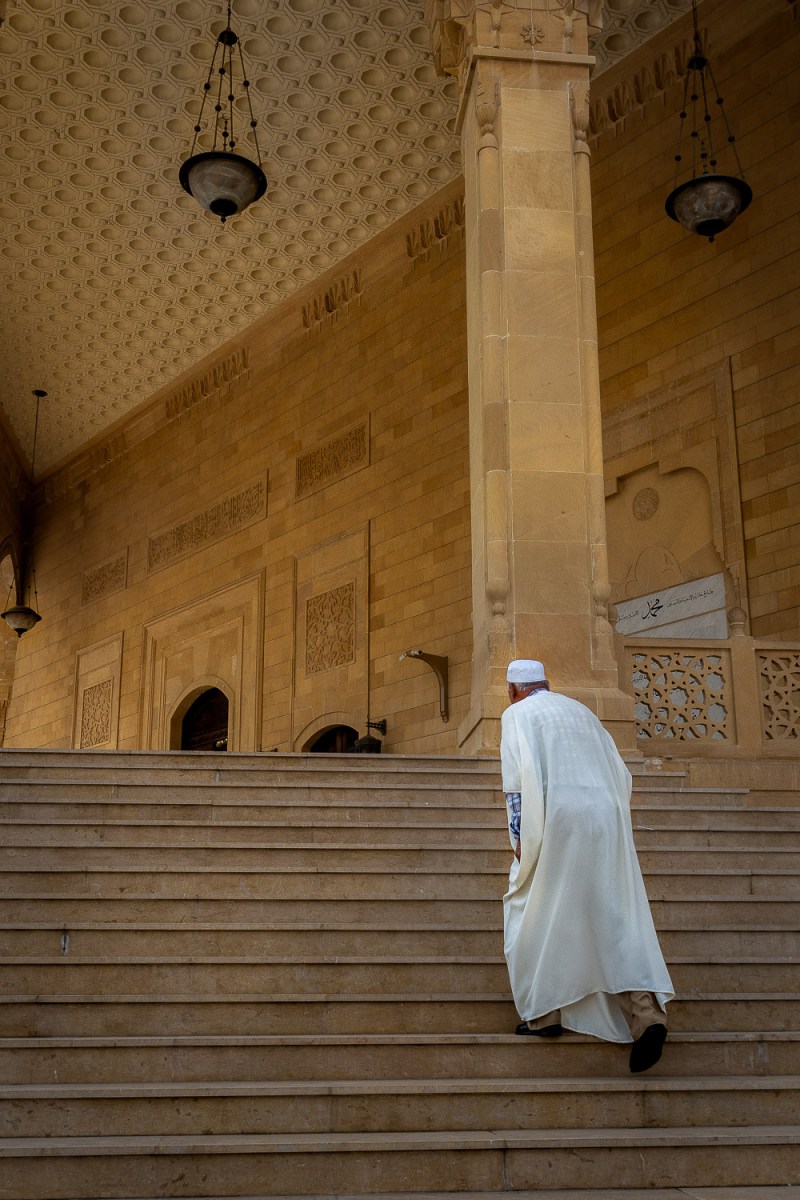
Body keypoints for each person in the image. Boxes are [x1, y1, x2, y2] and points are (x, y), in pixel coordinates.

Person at [500, 659, 674, 1073]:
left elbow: (517, 783)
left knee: (535, 908)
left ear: (512, 690)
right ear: (547, 683)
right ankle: (646, 1017)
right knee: (614, 915)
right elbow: (620, 772)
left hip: (557, 820)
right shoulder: (582, 711)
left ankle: (544, 1014)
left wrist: (520, 836)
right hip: (605, 820)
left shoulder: (517, 714)